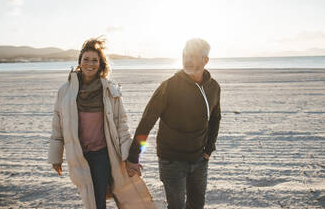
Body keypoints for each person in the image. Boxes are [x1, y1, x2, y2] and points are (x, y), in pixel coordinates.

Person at [48, 37, 156, 209]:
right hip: (78, 154)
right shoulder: (65, 91)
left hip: (102, 155)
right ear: (80, 62)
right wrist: (56, 157)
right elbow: (58, 125)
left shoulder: (110, 90)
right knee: (89, 200)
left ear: (101, 64)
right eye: (86, 59)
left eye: (94, 60)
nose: (90, 64)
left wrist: (129, 158)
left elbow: (122, 125)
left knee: (99, 199)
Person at [126, 38, 221, 209]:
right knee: (176, 206)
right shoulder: (169, 86)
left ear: (205, 60)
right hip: (172, 161)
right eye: (185, 55)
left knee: (197, 204)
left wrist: (208, 150)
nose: (188, 60)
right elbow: (147, 121)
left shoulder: (213, 87)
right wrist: (134, 157)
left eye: (193, 56)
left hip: (199, 159)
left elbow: (215, 119)